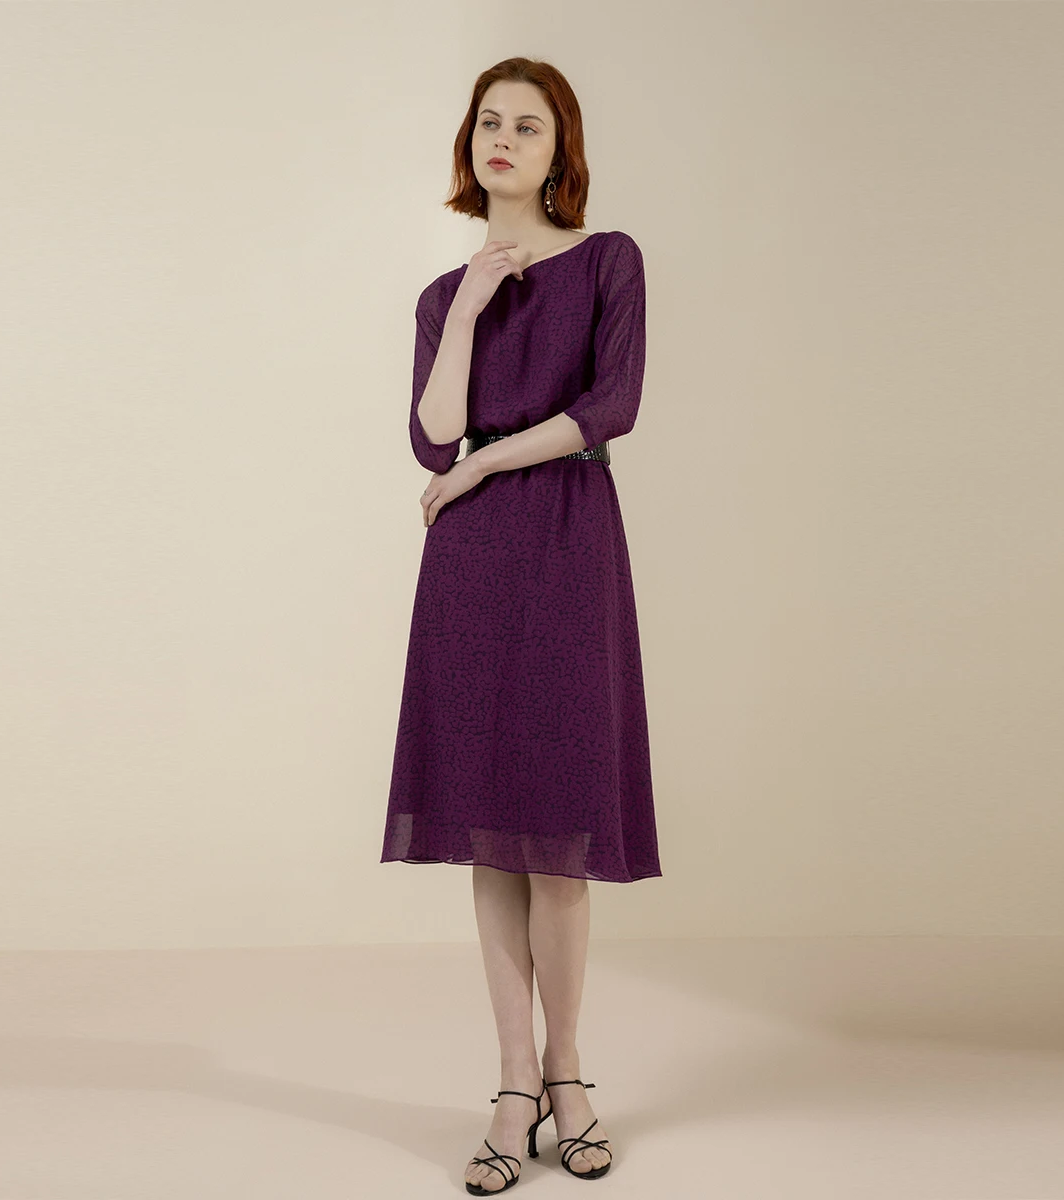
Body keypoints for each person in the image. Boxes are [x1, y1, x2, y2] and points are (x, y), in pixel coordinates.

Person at [379, 56, 662, 1194]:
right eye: (488, 122)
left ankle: (567, 1071)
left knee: (559, 826)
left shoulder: (608, 260)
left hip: (565, 539)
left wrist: (486, 462)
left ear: (559, 151)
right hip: (471, 564)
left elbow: (612, 407)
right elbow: (430, 433)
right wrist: (469, 309)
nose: (503, 137)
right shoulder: (440, 297)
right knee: (490, 827)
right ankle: (512, 1084)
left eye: (528, 125)